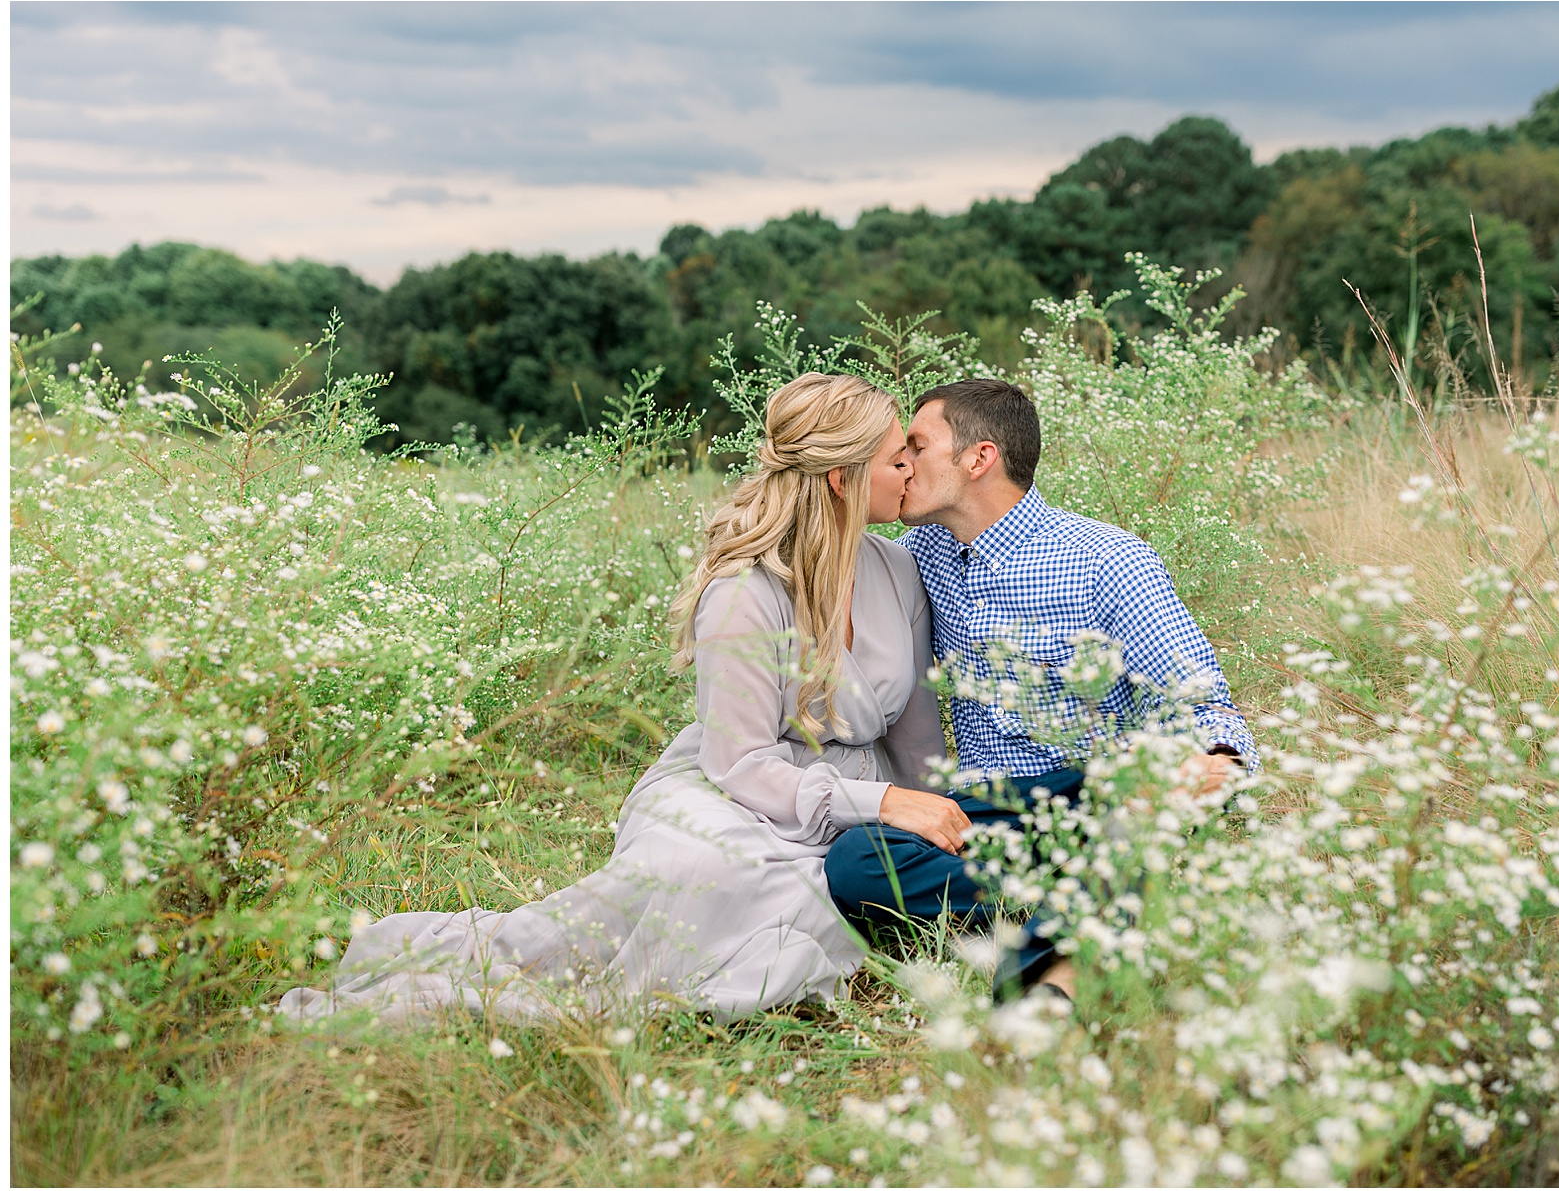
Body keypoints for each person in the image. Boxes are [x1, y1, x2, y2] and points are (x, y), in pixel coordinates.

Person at [281, 373, 961, 1024]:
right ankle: (476, 970)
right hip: (741, 787)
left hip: (855, 795)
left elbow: (917, 743)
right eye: (895, 458)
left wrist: (933, 820)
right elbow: (741, 762)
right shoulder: (744, 592)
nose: (910, 469)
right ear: (842, 478)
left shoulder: (899, 570)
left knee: (802, 894)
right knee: (697, 873)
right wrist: (880, 803)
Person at [823, 378, 1259, 1010]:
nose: (902, 463)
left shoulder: (1107, 560)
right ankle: (1083, 901)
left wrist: (1212, 760)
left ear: (979, 458)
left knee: (1133, 812)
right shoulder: (915, 557)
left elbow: (1201, 701)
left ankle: (1052, 972)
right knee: (854, 862)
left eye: (916, 446)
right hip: (981, 813)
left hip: (1087, 795)